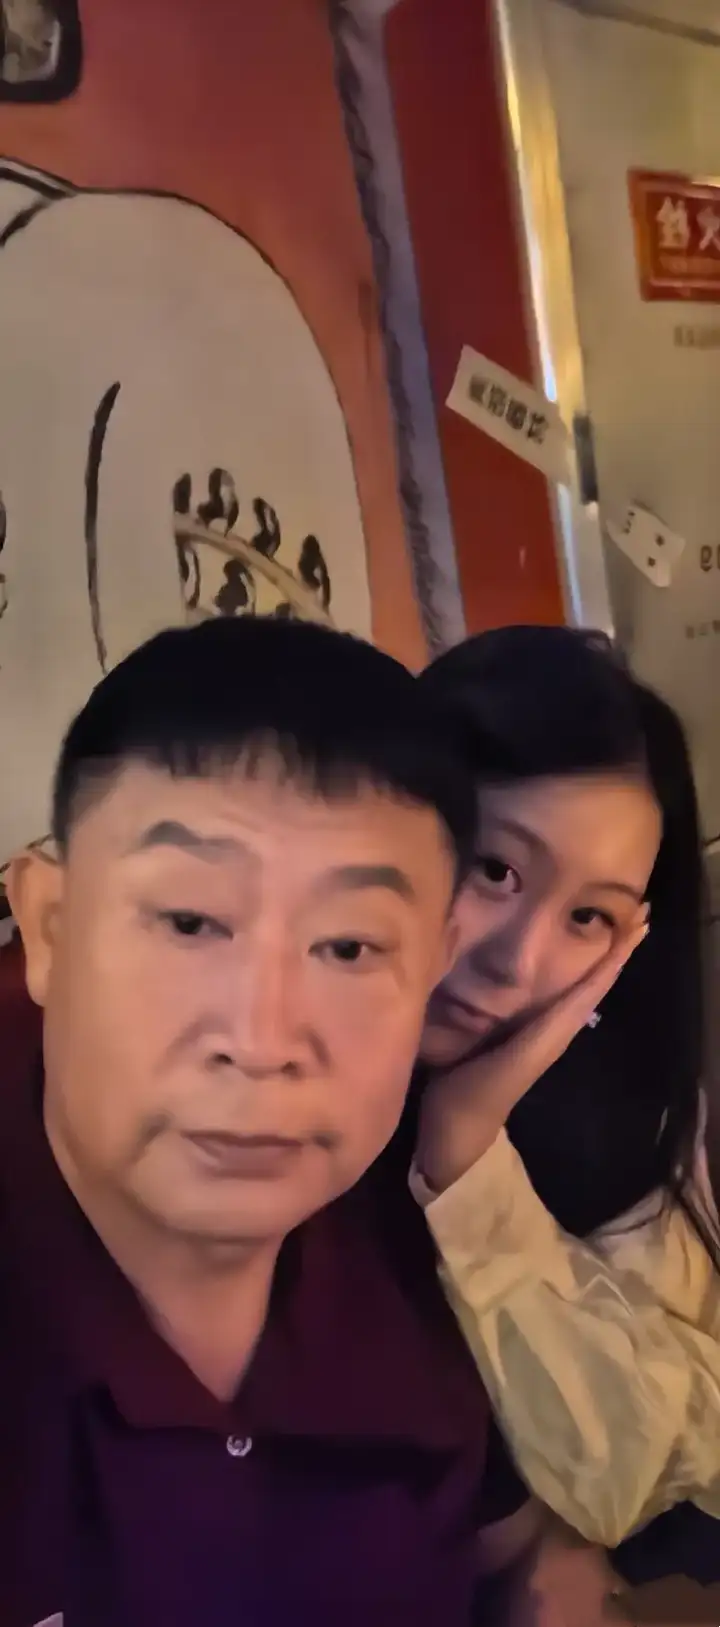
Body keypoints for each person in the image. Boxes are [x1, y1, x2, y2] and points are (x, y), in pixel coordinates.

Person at [0, 612, 526, 1627]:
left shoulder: (427, 1280)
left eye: (351, 947)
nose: (263, 1038)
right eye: (190, 922)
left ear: (438, 957)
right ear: (50, 928)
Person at [412, 624, 720, 1578]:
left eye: (589, 915)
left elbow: (651, 1463)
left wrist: (466, 1156)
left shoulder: (618, 1102)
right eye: (496, 868)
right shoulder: (258, 1083)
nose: (520, 962)